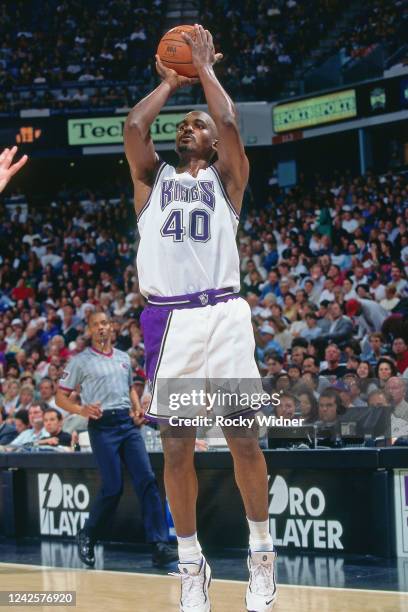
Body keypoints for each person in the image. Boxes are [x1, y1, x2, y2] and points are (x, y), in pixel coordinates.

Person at [124, 24, 276, 612]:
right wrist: (168, 82)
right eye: (184, 123)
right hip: (172, 323)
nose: (192, 125)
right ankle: (192, 565)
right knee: (177, 446)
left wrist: (206, 71)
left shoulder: (227, 180)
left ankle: (261, 553)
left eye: (200, 124)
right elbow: (135, 129)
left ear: (213, 144)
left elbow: (233, 125)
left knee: (242, 437)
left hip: (224, 315)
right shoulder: (150, 181)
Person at [55, 311, 177, 569]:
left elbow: (131, 387)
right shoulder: (80, 361)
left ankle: (159, 545)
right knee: (113, 487)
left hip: (127, 424)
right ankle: (88, 534)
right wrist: (81, 410)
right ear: (89, 330)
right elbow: (60, 397)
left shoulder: (123, 358)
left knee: (147, 480)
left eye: (105, 323)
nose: (101, 328)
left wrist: (136, 409)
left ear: (112, 328)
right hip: (102, 426)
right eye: (96, 324)